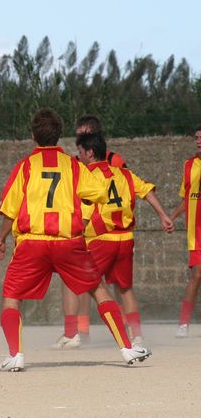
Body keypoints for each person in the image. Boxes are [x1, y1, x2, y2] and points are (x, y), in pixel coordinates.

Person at [0, 109, 151, 372]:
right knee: (98, 290)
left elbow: (10, 209)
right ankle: (126, 348)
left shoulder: (25, 166)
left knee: (11, 296)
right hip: (69, 241)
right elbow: (98, 193)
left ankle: (16, 355)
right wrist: (79, 211)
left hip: (33, 242)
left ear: (33, 136)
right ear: (59, 136)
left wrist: (0, 239)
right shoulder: (73, 165)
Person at [50, 132, 172, 348]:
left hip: (100, 239)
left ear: (89, 153)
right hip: (125, 239)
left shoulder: (87, 175)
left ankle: (73, 333)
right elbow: (147, 192)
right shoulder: (124, 174)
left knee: (73, 280)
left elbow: (79, 205)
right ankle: (137, 335)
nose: (79, 156)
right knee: (125, 288)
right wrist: (163, 216)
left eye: (80, 152)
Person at [59, 115, 130, 346]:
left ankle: (129, 330)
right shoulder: (74, 162)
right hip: (82, 228)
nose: (80, 137)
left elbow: (126, 188)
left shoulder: (115, 161)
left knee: (114, 284)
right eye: (78, 134)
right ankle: (78, 332)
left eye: (85, 133)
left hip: (105, 232)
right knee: (77, 280)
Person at [169, 125, 201, 337]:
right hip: (196, 233)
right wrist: (170, 217)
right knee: (196, 275)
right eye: (197, 137)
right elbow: (187, 199)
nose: (199, 141)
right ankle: (183, 324)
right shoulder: (189, 165)